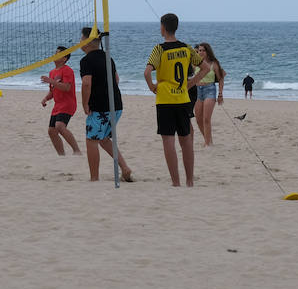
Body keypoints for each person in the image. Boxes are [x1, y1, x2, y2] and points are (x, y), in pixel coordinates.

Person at [144, 13, 202, 187]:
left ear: (163, 27)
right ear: (176, 27)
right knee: (186, 141)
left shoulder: (159, 49)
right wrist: (190, 84)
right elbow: (205, 68)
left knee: (168, 141)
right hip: (183, 99)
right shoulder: (186, 48)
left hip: (165, 100)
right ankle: (190, 181)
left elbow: (147, 72)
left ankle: (176, 182)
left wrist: (152, 87)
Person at [79, 27, 132, 182]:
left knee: (91, 140)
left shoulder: (86, 60)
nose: (79, 42)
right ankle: (125, 168)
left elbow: (86, 84)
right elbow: (116, 80)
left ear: (87, 42)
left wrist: (85, 103)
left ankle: (94, 178)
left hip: (100, 107)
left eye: (81, 39)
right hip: (116, 105)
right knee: (103, 139)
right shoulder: (108, 57)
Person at [40, 45, 81, 156]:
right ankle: (61, 155)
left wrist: (51, 81)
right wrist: (45, 98)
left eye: (58, 53)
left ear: (64, 58)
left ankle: (77, 151)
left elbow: (66, 87)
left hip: (68, 103)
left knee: (59, 126)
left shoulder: (67, 70)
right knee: (51, 131)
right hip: (58, 105)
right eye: (55, 52)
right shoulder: (52, 72)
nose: (55, 55)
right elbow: (52, 91)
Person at [192, 42, 226, 147]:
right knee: (198, 120)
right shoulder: (195, 63)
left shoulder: (213, 63)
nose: (201, 52)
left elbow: (221, 78)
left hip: (210, 90)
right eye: (199, 50)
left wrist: (220, 94)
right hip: (197, 91)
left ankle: (207, 143)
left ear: (207, 51)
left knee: (206, 119)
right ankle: (208, 140)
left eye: (203, 50)